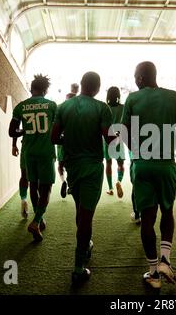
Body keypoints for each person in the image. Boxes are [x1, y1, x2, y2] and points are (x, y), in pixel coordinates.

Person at [121, 61, 176, 289]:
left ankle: (152, 273)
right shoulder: (174, 96)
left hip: (142, 165)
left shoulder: (132, 98)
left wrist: (138, 151)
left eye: (134, 76)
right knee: (167, 211)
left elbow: (123, 132)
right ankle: (165, 260)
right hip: (166, 164)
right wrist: (167, 149)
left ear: (139, 78)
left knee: (147, 220)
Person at [51, 72, 114, 287]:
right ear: (97, 88)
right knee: (86, 216)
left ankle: (86, 246)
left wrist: (69, 140)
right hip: (92, 168)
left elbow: (54, 138)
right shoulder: (101, 108)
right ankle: (78, 267)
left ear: (82, 85)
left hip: (73, 167)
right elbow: (108, 137)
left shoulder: (63, 107)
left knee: (80, 211)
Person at [9, 74, 58, 242]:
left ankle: (39, 218)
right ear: (45, 90)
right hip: (46, 152)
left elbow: (11, 132)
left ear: (31, 89)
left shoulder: (21, 107)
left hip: (29, 152)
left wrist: (24, 132)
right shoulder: (52, 106)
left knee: (33, 185)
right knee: (46, 189)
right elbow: (58, 130)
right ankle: (36, 220)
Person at [57, 83, 80, 198]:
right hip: (74, 142)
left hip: (61, 141)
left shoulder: (60, 109)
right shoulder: (79, 111)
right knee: (72, 164)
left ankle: (63, 181)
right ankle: (71, 185)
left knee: (61, 165)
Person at [103, 86, 126, 198]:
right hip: (119, 137)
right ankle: (119, 181)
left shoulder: (105, 108)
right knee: (120, 164)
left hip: (106, 138)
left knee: (108, 163)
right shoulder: (123, 108)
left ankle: (110, 188)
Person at [12, 137, 29, 219]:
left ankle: (24, 199)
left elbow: (14, 128)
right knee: (39, 179)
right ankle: (38, 213)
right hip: (42, 144)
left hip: (26, 144)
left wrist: (14, 145)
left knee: (24, 175)